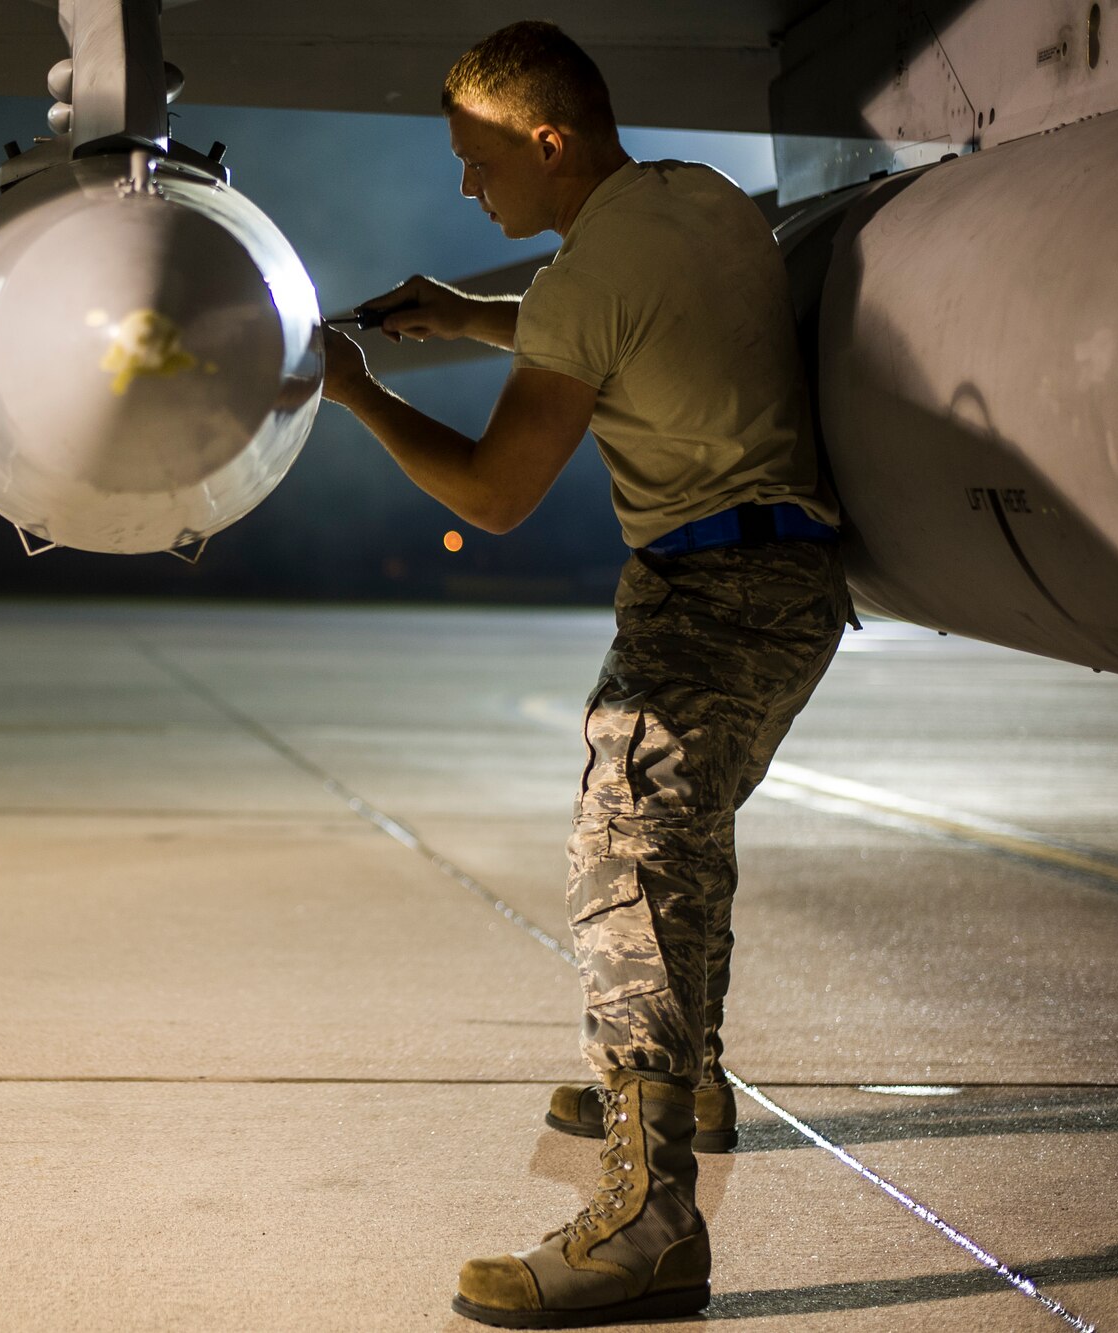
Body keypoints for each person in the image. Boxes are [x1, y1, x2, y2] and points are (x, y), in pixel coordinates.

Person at [319, 19, 853, 1329]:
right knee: (680, 844)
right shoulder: (695, 201)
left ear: (548, 142)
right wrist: (470, 316)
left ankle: (646, 1226)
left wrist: (359, 394)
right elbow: (627, 322)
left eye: (480, 158)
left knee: (630, 862)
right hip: (788, 585)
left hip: (708, 599)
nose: (466, 187)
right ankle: (682, 1084)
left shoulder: (582, 283)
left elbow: (495, 493)